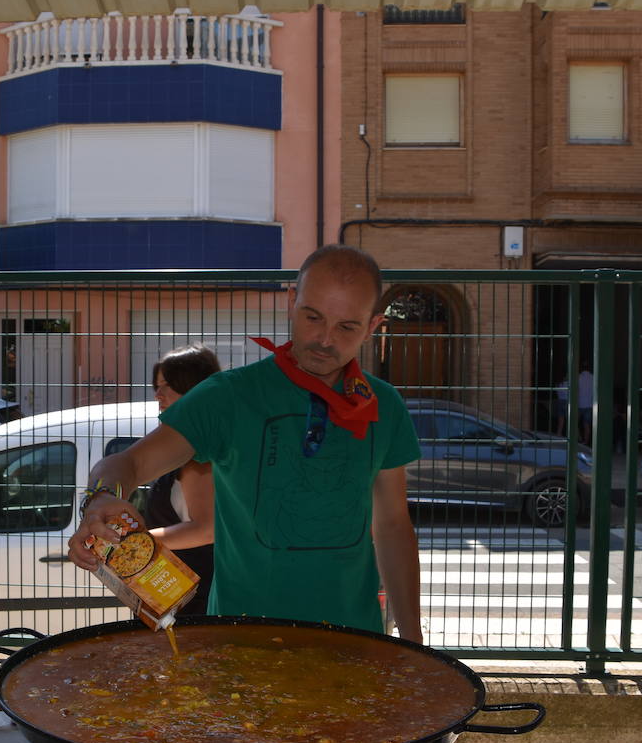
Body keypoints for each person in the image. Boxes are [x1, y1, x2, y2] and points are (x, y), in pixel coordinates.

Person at [69, 245, 423, 641]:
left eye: (347, 327)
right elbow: (129, 464)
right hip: (240, 641)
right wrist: (100, 498)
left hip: (352, 641)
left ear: (373, 325)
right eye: (313, 317)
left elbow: (392, 525)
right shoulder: (229, 397)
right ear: (292, 301)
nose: (324, 339)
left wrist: (412, 640)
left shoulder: (384, 405)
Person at [144, 343, 220, 617]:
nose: (157, 394)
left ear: (193, 388)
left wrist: (138, 544)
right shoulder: (185, 445)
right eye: (156, 385)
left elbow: (206, 529)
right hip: (181, 599)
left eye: (167, 385)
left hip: (198, 605)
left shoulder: (199, 453)